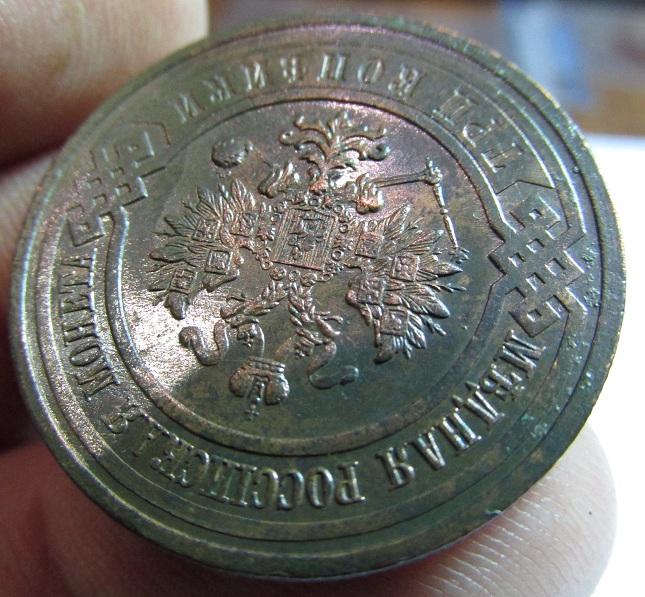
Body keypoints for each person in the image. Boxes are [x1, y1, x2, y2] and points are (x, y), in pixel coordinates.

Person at [0, 2, 615, 595]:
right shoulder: (276, 215)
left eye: (337, 173)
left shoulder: (357, 233)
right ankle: (251, 343)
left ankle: (274, 349)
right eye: (318, 171)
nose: (323, 182)